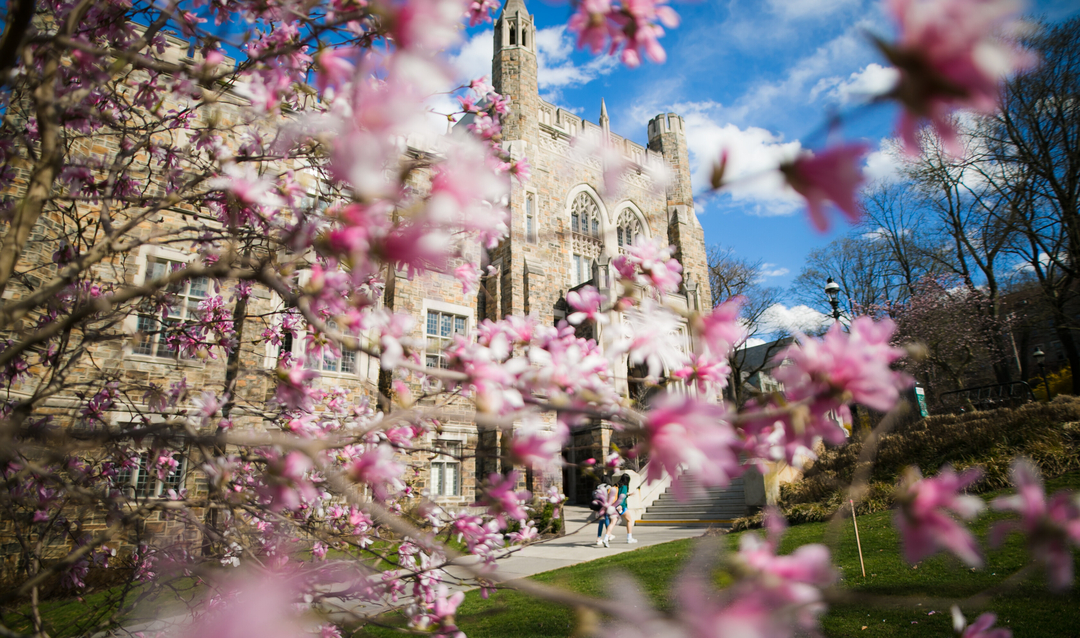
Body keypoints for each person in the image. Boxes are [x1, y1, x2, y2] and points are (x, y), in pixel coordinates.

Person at [615, 473, 640, 544]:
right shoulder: (625, 487)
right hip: (622, 506)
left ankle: (607, 536)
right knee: (629, 520)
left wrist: (628, 494)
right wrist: (621, 505)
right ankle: (629, 537)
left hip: (617, 505)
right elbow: (622, 497)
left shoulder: (618, 486)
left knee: (613, 522)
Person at [593, 482, 613, 547]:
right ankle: (608, 534)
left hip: (599, 505)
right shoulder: (608, 486)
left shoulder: (598, 487)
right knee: (606, 519)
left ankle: (599, 538)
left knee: (601, 521)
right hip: (605, 505)